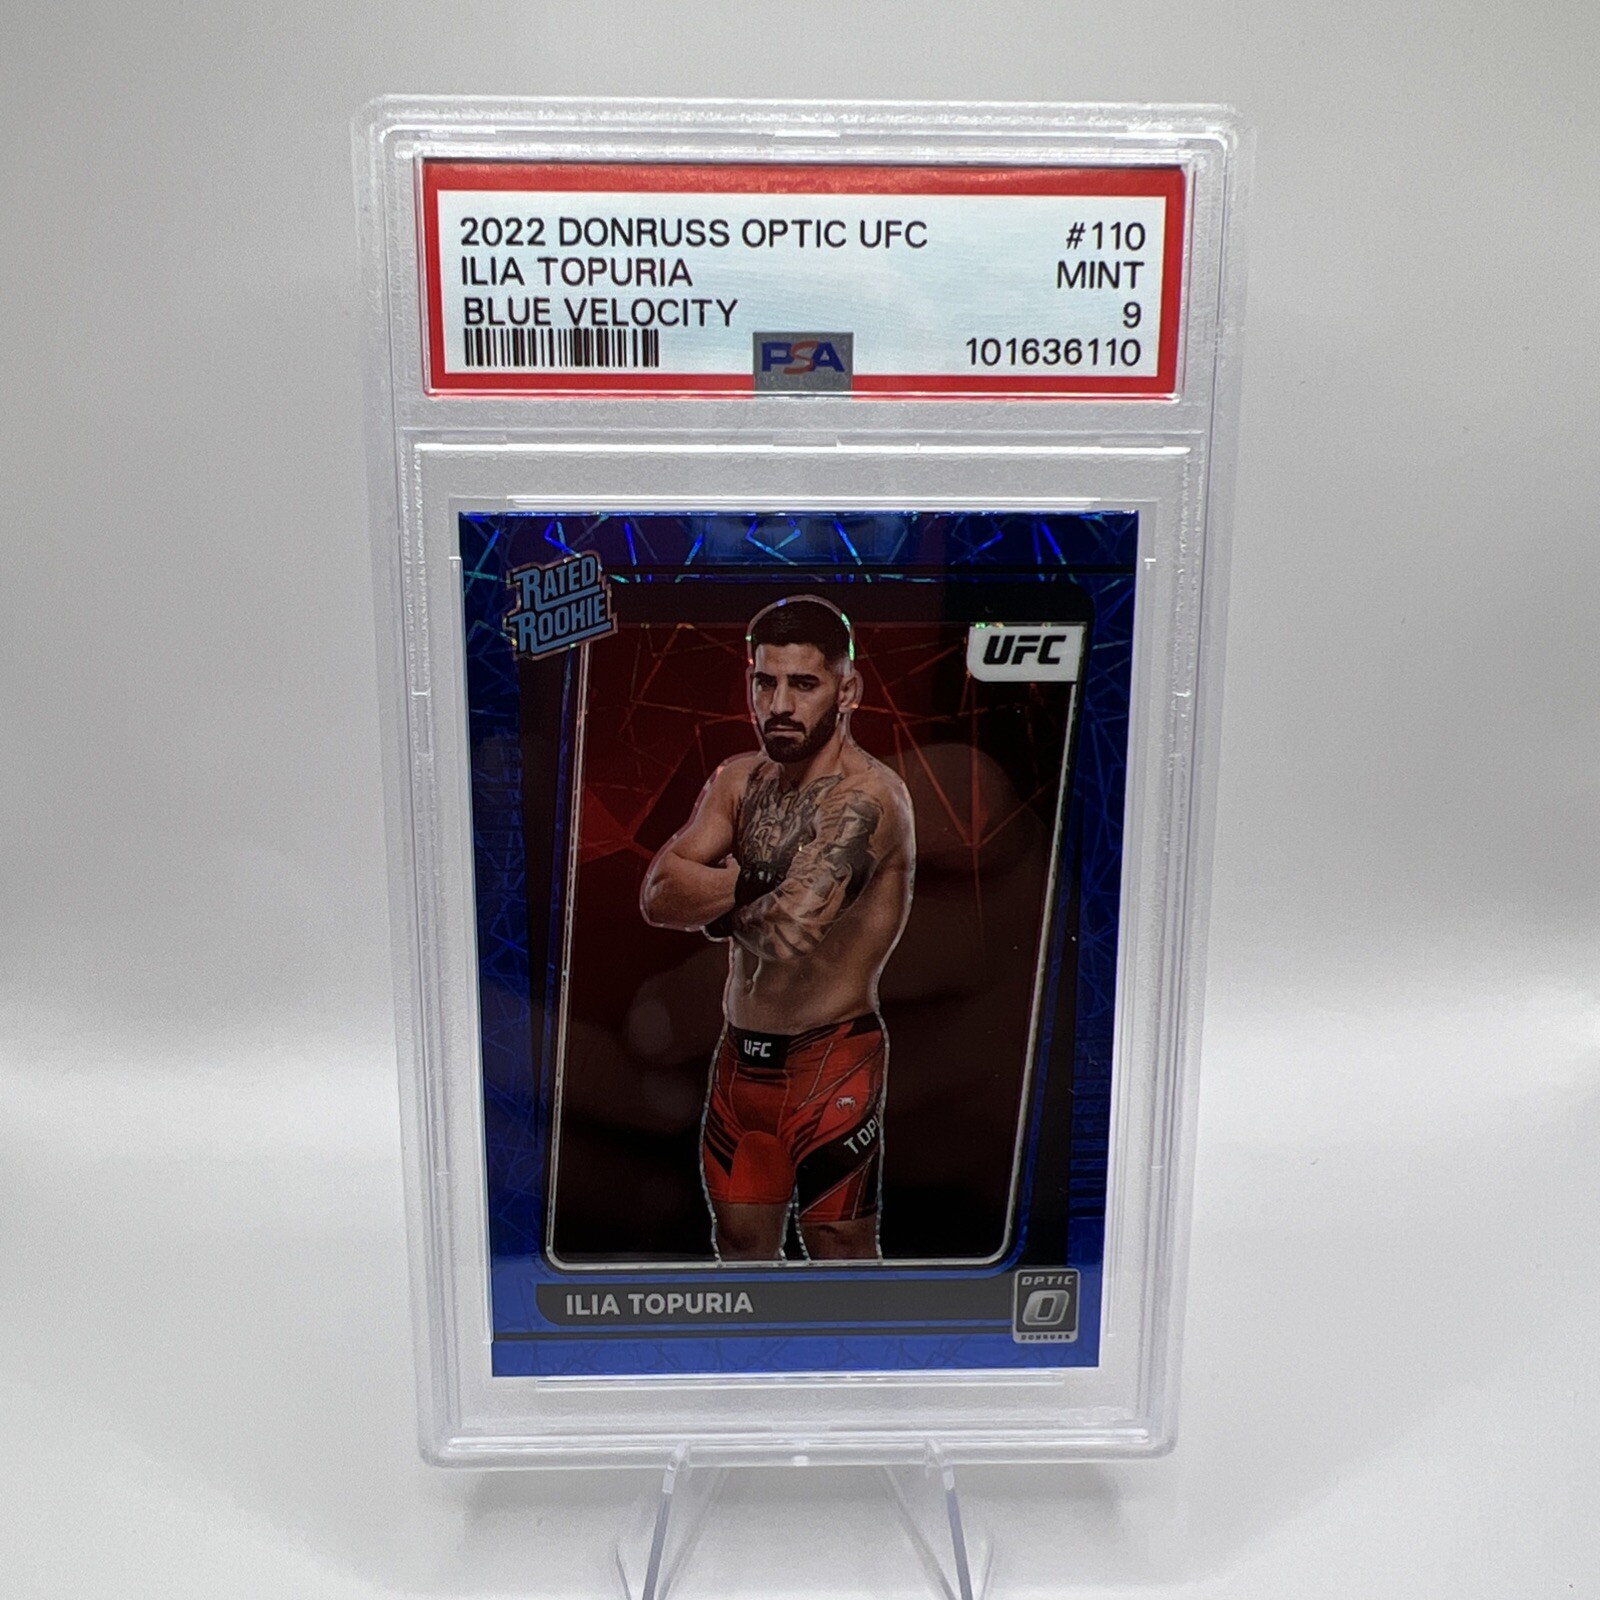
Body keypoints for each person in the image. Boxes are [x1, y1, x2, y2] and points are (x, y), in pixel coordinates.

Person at [640, 596, 915, 1261]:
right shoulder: (738, 780)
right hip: (740, 1061)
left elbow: (790, 932)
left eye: (804, 683)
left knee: (839, 1245)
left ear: (846, 690)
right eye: (766, 682)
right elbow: (658, 893)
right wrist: (757, 882)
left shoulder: (868, 798)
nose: (780, 704)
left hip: (832, 1060)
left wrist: (714, 894)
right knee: (738, 1244)